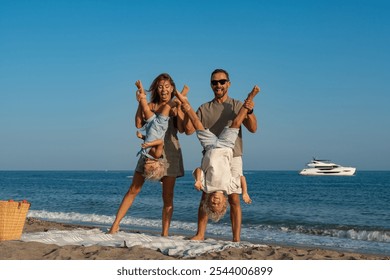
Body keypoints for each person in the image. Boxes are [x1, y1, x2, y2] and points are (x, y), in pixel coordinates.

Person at [183, 69, 258, 242]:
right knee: (205, 196)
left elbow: (253, 129)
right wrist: (186, 111)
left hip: (234, 155)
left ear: (228, 84)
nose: (218, 85)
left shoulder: (238, 105)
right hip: (211, 155)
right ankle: (200, 234)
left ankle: (236, 239)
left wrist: (250, 112)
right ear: (211, 85)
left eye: (222, 81)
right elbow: (188, 130)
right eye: (214, 82)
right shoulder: (204, 108)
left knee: (234, 199)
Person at [109, 73, 186, 236]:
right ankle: (115, 225)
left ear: (172, 88)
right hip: (149, 152)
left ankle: (164, 233)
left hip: (170, 152)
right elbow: (138, 123)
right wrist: (140, 102)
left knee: (168, 195)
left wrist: (179, 108)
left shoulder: (176, 106)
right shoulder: (150, 106)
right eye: (160, 86)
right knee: (133, 189)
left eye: (166, 86)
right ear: (156, 89)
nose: (164, 90)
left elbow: (183, 129)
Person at [134, 80, 187, 180]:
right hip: (159, 127)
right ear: (156, 165)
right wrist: (149, 145)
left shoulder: (145, 153)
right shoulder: (157, 154)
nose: (146, 163)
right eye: (149, 165)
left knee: (145, 108)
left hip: (151, 126)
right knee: (168, 106)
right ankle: (182, 93)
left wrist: (142, 137)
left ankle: (141, 91)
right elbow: (159, 142)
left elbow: (149, 139)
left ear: (171, 88)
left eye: (167, 86)